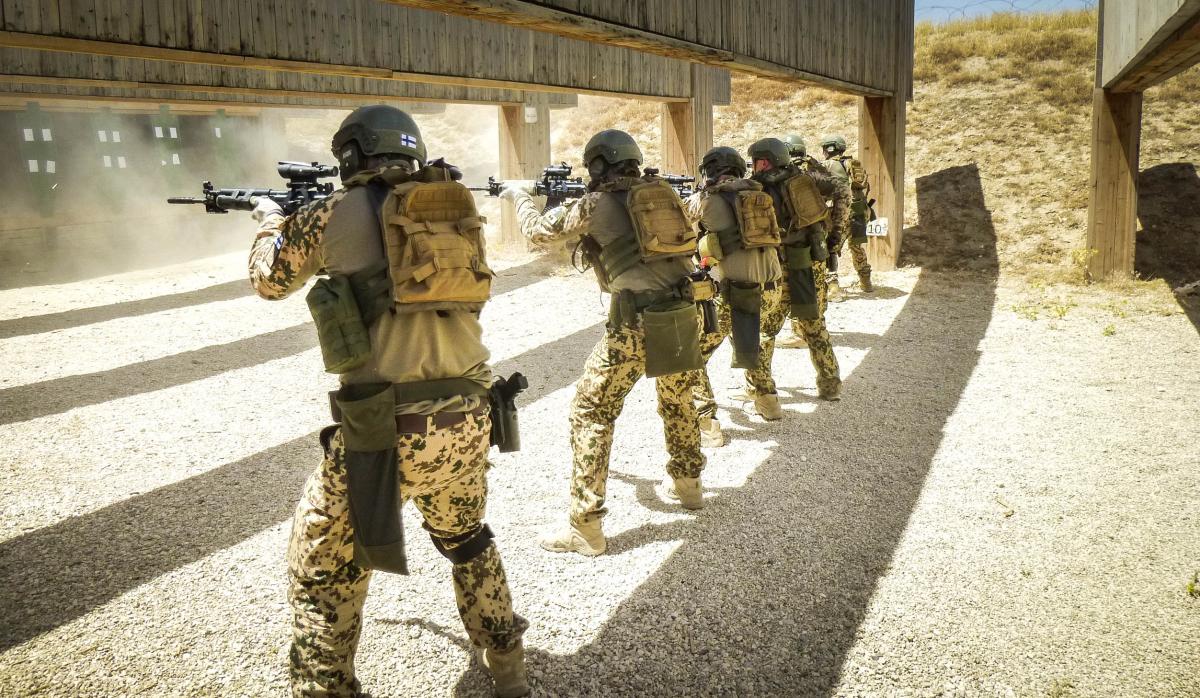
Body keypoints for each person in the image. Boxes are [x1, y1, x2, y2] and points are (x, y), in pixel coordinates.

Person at [247, 105, 528, 698]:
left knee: (321, 562)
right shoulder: (454, 208)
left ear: (350, 156)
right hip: (471, 414)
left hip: (387, 428)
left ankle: (326, 689)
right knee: (466, 537)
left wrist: (271, 222)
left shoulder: (333, 213)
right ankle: (507, 660)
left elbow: (269, 281)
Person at [503, 129, 708, 557]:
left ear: (597, 165)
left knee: (591, 411)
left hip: (635, 323)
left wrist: (518, 195)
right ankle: (688, 485)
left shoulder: (594, 203)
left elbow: (539, 234)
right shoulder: (663, 194)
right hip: (682, 313)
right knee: (678, 398)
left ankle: (585, 525)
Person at [684, 145, 787, 444]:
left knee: (694, 353)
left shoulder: (705, 200)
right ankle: (768, 402)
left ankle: (706, 424)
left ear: (709, 172)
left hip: (736, 292)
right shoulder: (761, 196)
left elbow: (676, 224)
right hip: (771, 289)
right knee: (751, 337)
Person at [747, 137, 849, 401]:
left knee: (765, 331)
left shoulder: (756, 189)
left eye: (756, 161)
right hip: (811, 263)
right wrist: (836, 237)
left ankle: (762, 393)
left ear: (765, 160)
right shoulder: (807, 178)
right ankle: (830, 385)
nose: (753, 166)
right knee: (814, 326)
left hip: (777, 270)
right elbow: (844, 191)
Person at [820, 134, 874, 292]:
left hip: (841, 212)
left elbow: (823, 191)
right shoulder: (854, 163)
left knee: (831, 247)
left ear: (829, 149)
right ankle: (866, 282)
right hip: (860, 209)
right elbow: (865, 187)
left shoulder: (828, 165)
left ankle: (833, 287)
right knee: (856, 245)